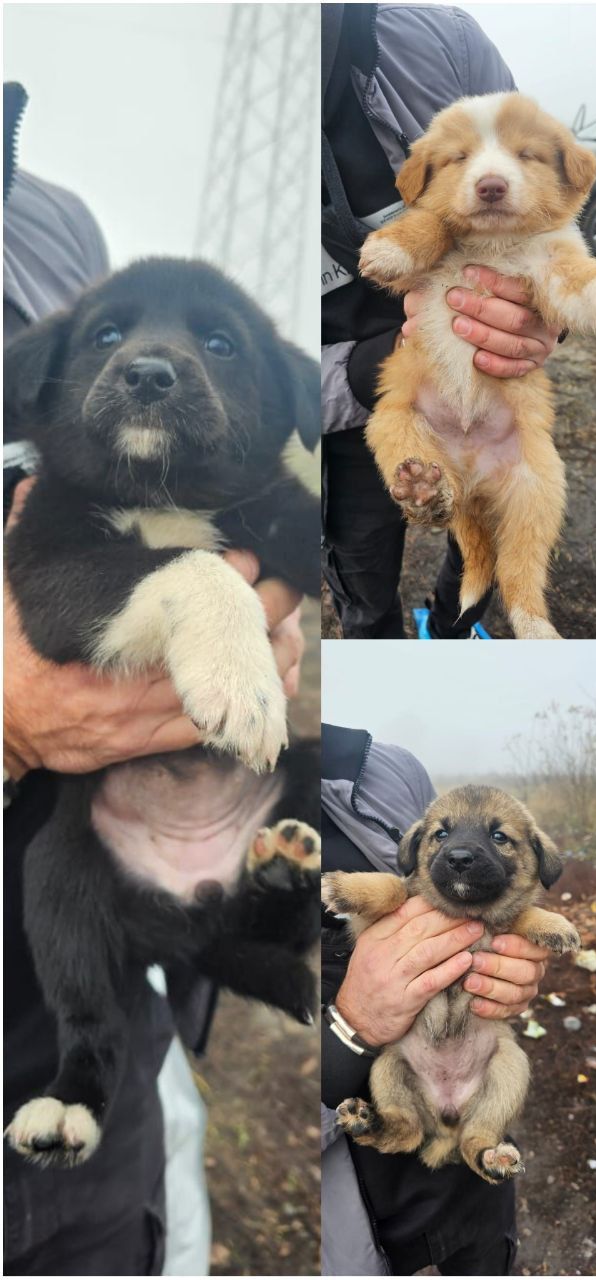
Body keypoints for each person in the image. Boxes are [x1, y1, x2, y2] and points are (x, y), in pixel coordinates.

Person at [2, 82, 305, 1274]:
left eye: (207, 347)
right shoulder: (66, 504)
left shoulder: (50, 221)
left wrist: (274, 601)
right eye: (112, 346)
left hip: (84, 1043)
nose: (149, 364)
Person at [321, 3, 563, 640]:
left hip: (484, 374)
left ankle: (454, 625)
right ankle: (376, 636)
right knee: (364, 570)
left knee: (484, 522)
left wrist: (537, 313)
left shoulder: (445, 41)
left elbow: (548, 195)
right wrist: (361, 370)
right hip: (349, 400)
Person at [320, 723, 554, 1276]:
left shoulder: (385, 768)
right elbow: (397, 890)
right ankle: (395, 1127)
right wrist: (349, 1027)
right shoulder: (406, 873)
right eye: (443, 836)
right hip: (345, 1219)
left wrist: (516, 969)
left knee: (511, 1062)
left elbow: (514, 916)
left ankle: (480, 1142)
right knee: (391, 1076)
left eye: (497, 837)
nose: (464, 851)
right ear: (421, 846)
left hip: (463, 1201)